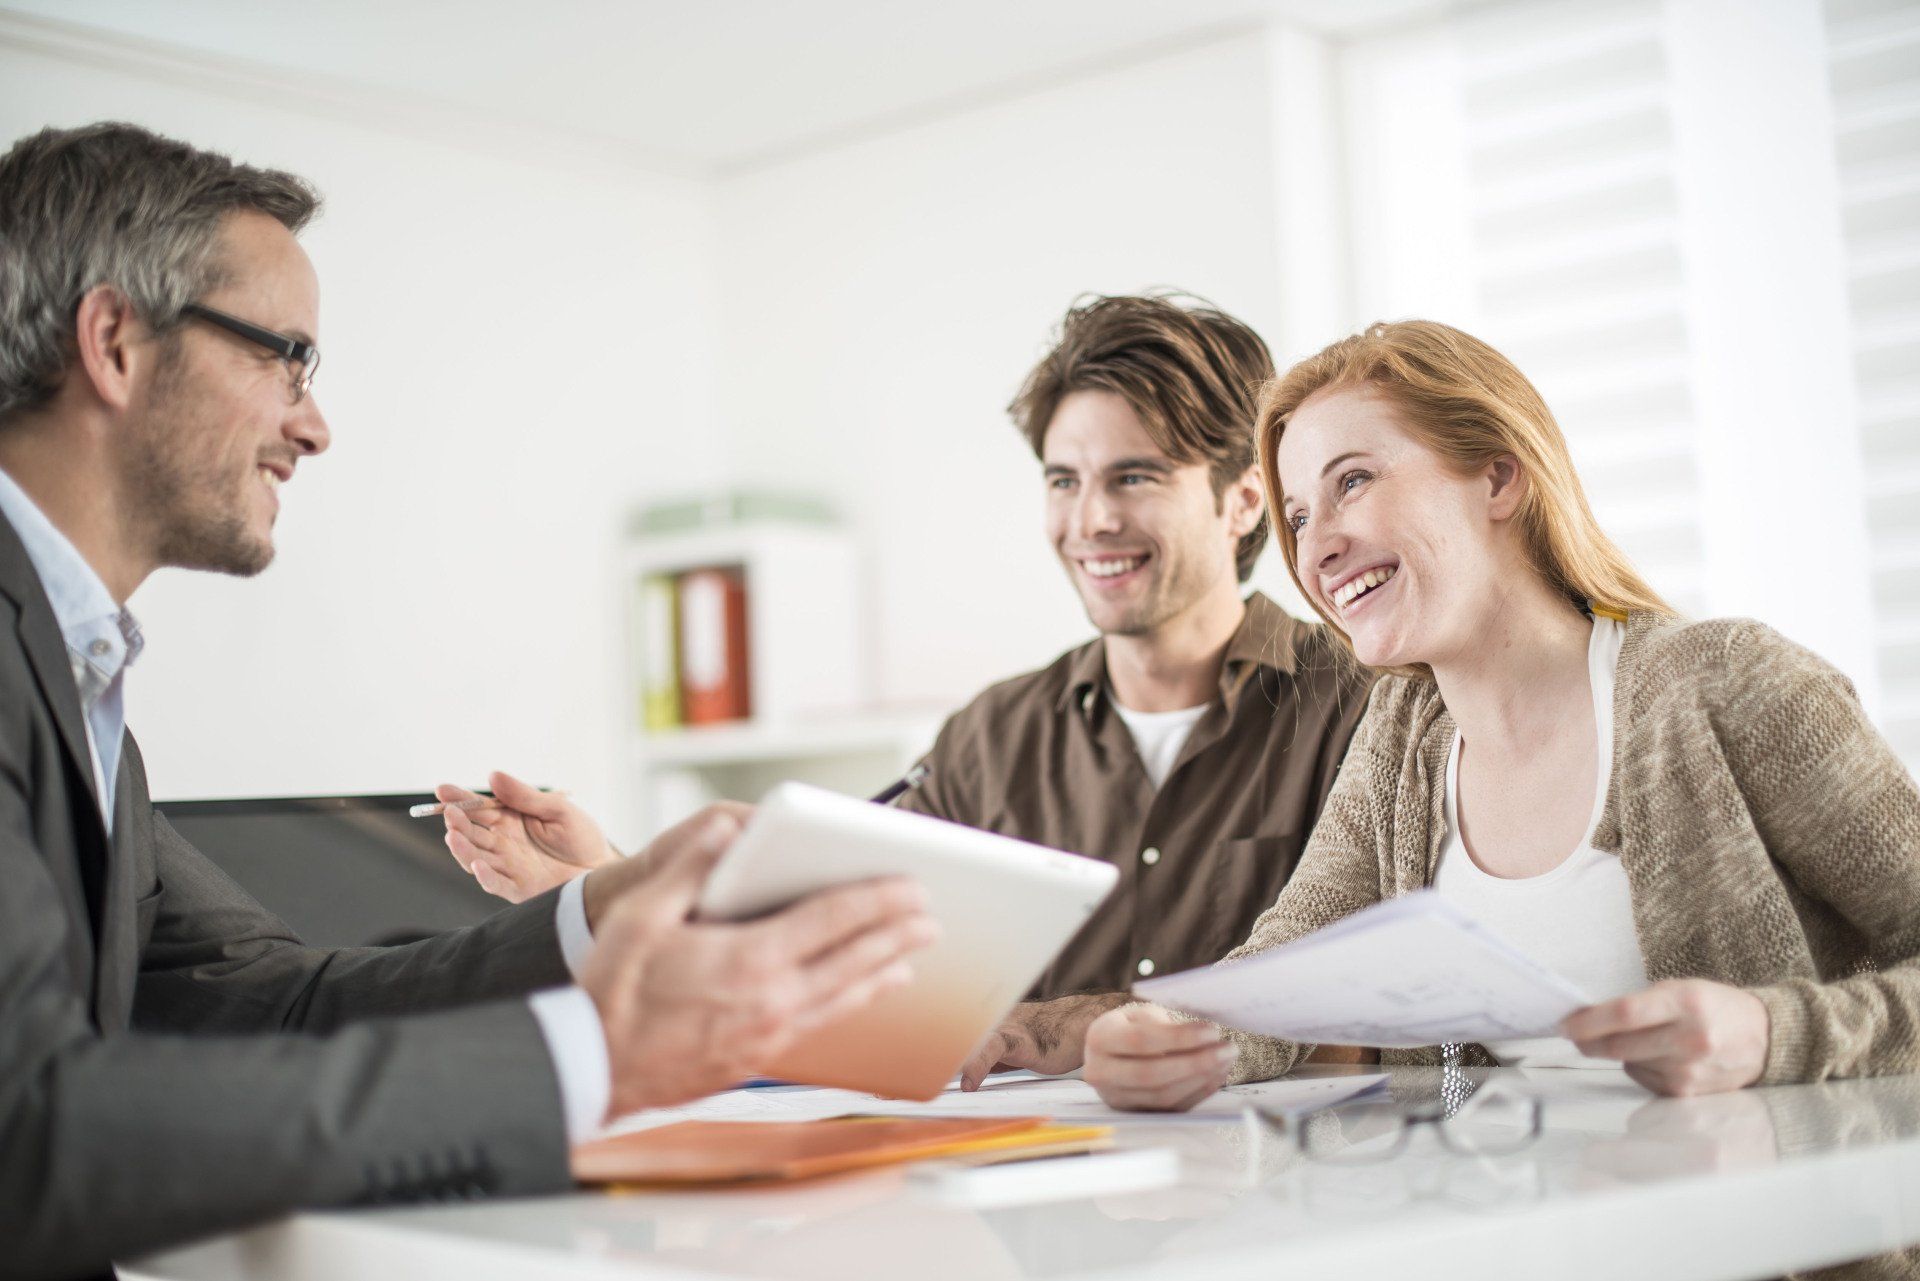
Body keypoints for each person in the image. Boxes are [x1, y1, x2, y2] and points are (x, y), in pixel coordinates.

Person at [0, 122, 935, 1280]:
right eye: (283, 355)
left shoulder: (80, 689)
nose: (314, 422)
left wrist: (605, 908)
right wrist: (595, 1055)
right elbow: (25, 1132)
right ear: (114, 341)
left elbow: (272, 1004)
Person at [437, 294, 1374, 1089]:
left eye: (1134, 476)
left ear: (1243, 498)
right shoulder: (995, 733)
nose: (1091, 520)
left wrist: (1051, 1028)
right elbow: (838, 933)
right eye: (1063, 479)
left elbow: (1363, 1006)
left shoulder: (1361, 705)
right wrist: (611, 877)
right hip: (1036, 1203)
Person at [1081, 319, 1920, 1111]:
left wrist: (1773, 1034)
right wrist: (1169, 1036)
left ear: (1499, 476)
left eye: (1354, 481)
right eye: (1299, 515)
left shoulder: (1725, 683)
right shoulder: (1403, 734)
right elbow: (1284, 964)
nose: (1316, 547)